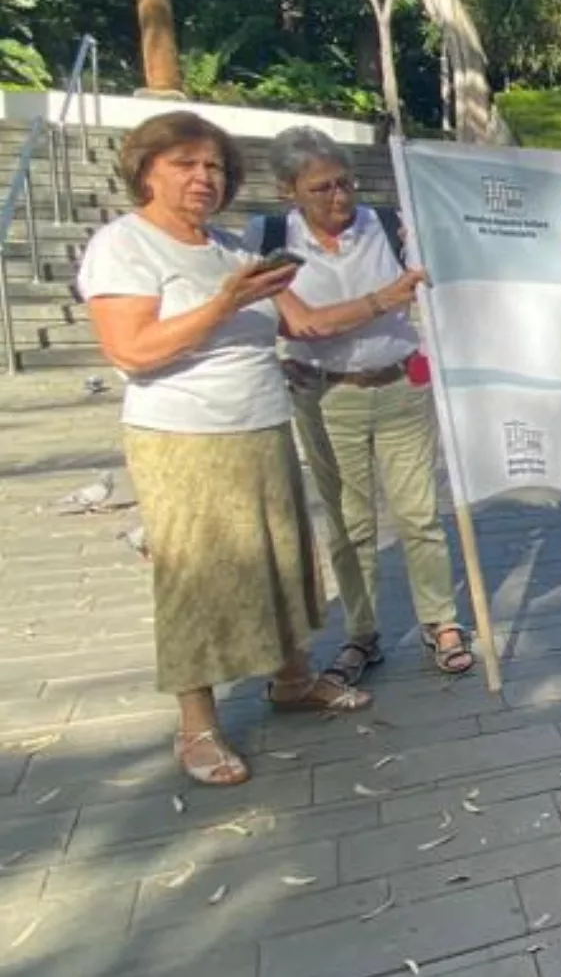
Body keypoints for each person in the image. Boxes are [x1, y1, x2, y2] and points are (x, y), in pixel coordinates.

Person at [77, 112, 424, 786]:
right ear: (147, 171)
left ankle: (291, 679)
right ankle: (198, 724)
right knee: (198, 574)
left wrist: (389, 296)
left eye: (213, 167)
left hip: (262, 424)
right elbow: (131, 350)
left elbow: (310, 323)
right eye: (185, 164)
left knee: (283, 556)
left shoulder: (233, 248)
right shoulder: (124, 246)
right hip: (184, 435)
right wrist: (222, 303)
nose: (203, 178)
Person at [262, 126, 472, 682]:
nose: (340, 198)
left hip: (402, 383)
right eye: (322, 188)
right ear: (289, 191)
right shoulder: (268, 239)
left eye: (346, 183)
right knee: (349, 522)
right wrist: (382, 299)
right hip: (328, 395)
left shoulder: (383, 224)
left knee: (419, 514)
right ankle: (362, 633)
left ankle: (441, 621)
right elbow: (299, 322)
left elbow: (442, 269)